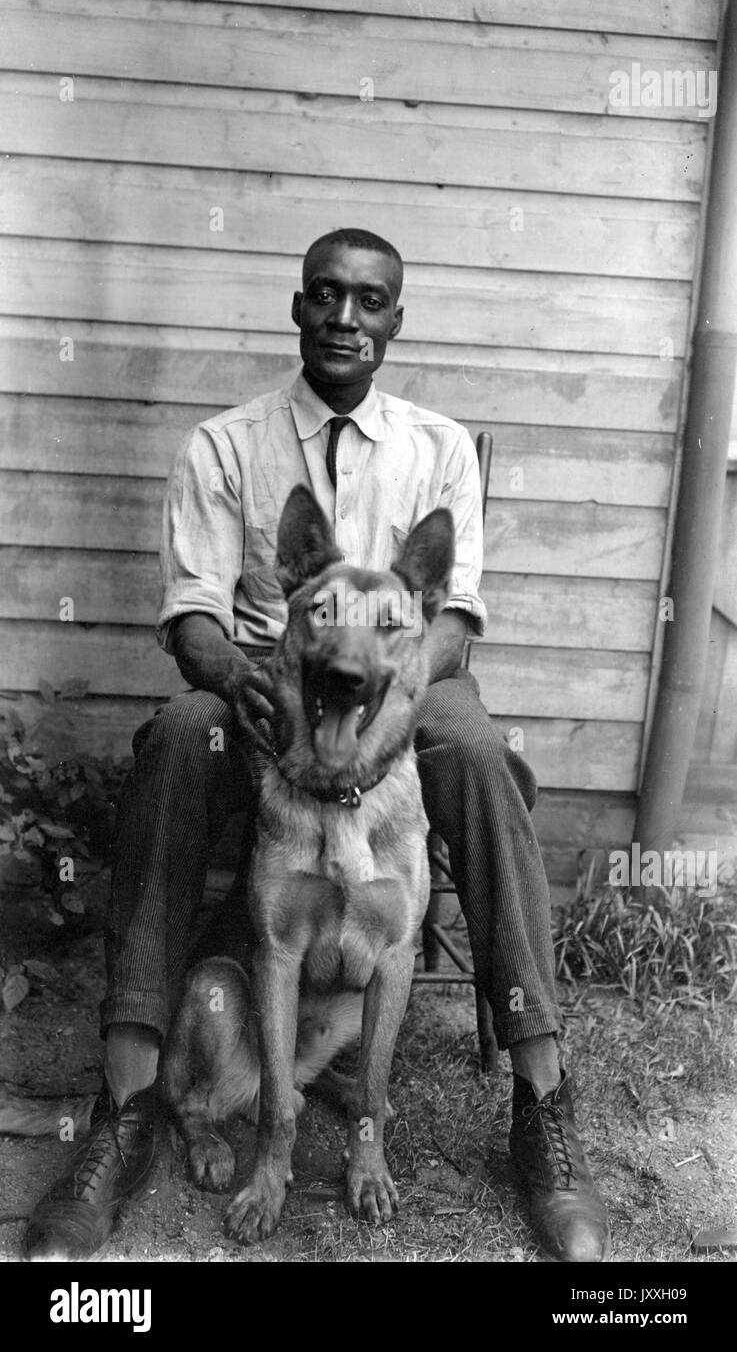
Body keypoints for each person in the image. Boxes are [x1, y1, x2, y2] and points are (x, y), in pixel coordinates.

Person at [24, 228, 610, 1263]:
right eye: (326, 296)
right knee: (175, 735)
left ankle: (540, 1094)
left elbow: (454, 621)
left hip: (394, 693)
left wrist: (385, 698)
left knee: (471, 746)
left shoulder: (436, 450)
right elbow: (194, 615)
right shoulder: (225, 445)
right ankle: (123, 1103)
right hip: (265, 691)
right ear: (298, 308)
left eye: (368, 301)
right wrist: (239, 676)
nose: (346, 316)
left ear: (394, 320)